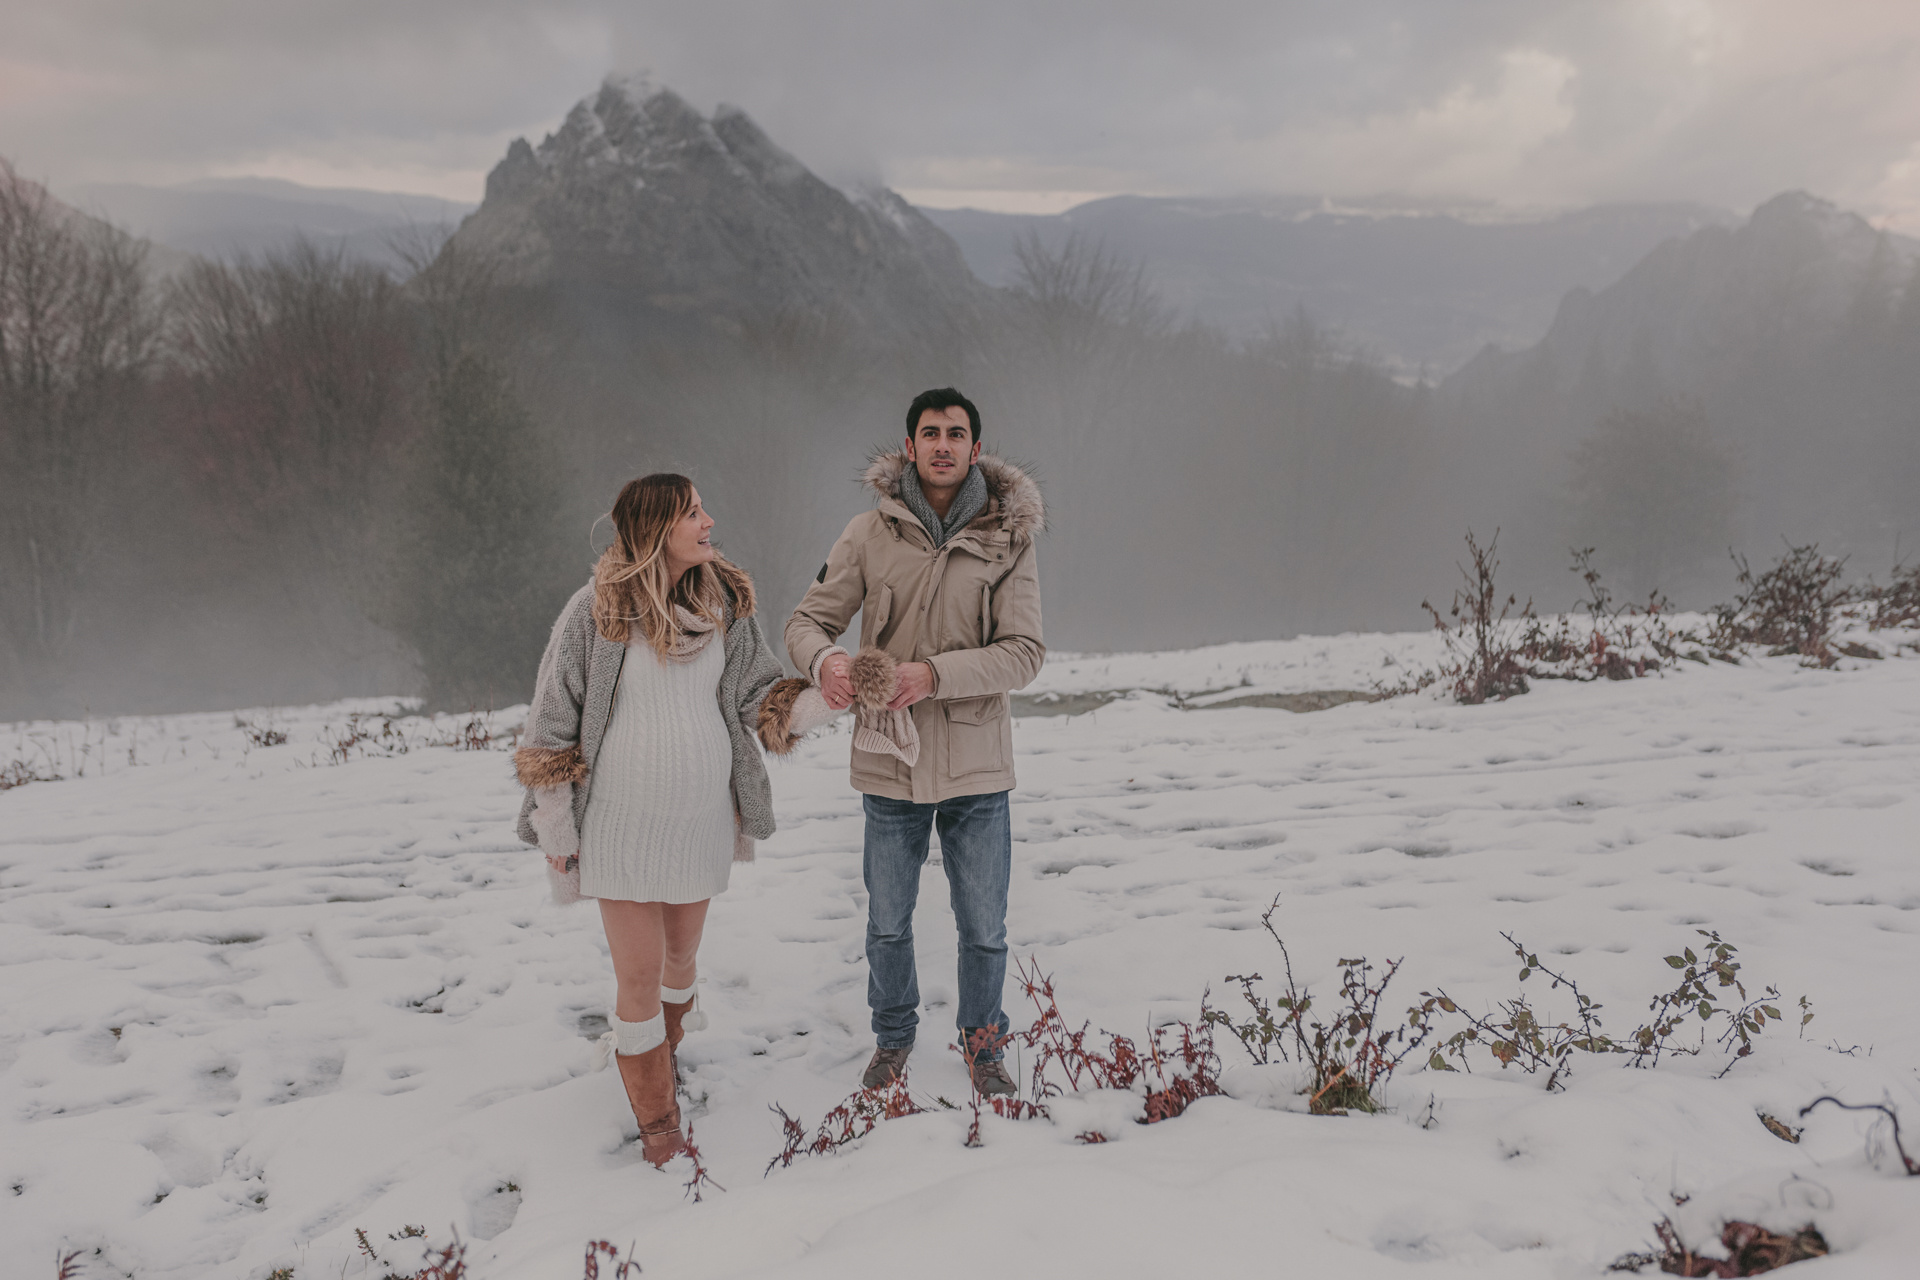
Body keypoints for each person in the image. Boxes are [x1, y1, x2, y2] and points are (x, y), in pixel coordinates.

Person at [514, 474, 834, 1166]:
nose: (709, 521)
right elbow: (549, 728)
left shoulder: (724, 607)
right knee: (638, 977)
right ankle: (660, 1128)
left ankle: (660, 1055)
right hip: (621, 829)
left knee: (680, 965)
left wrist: (827, 699)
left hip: (701, 822)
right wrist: (557, 831)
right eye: (693, 512)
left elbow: (760, 696)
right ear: (659, 527)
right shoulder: (593, 615)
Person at [785, 387, 1045, 1097]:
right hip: (888, 762)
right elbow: (806, 623)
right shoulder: (866, 534)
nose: (941, 444)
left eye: (955, 433)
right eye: (928, 432)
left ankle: (984, 1046)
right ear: (908, 447)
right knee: (888, 924)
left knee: (984, 927)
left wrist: (931, 676)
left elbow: (1024, 653)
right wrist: (827, 663)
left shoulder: (1008, 539)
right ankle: (893, 1038)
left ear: (976, 449)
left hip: (977, 766)